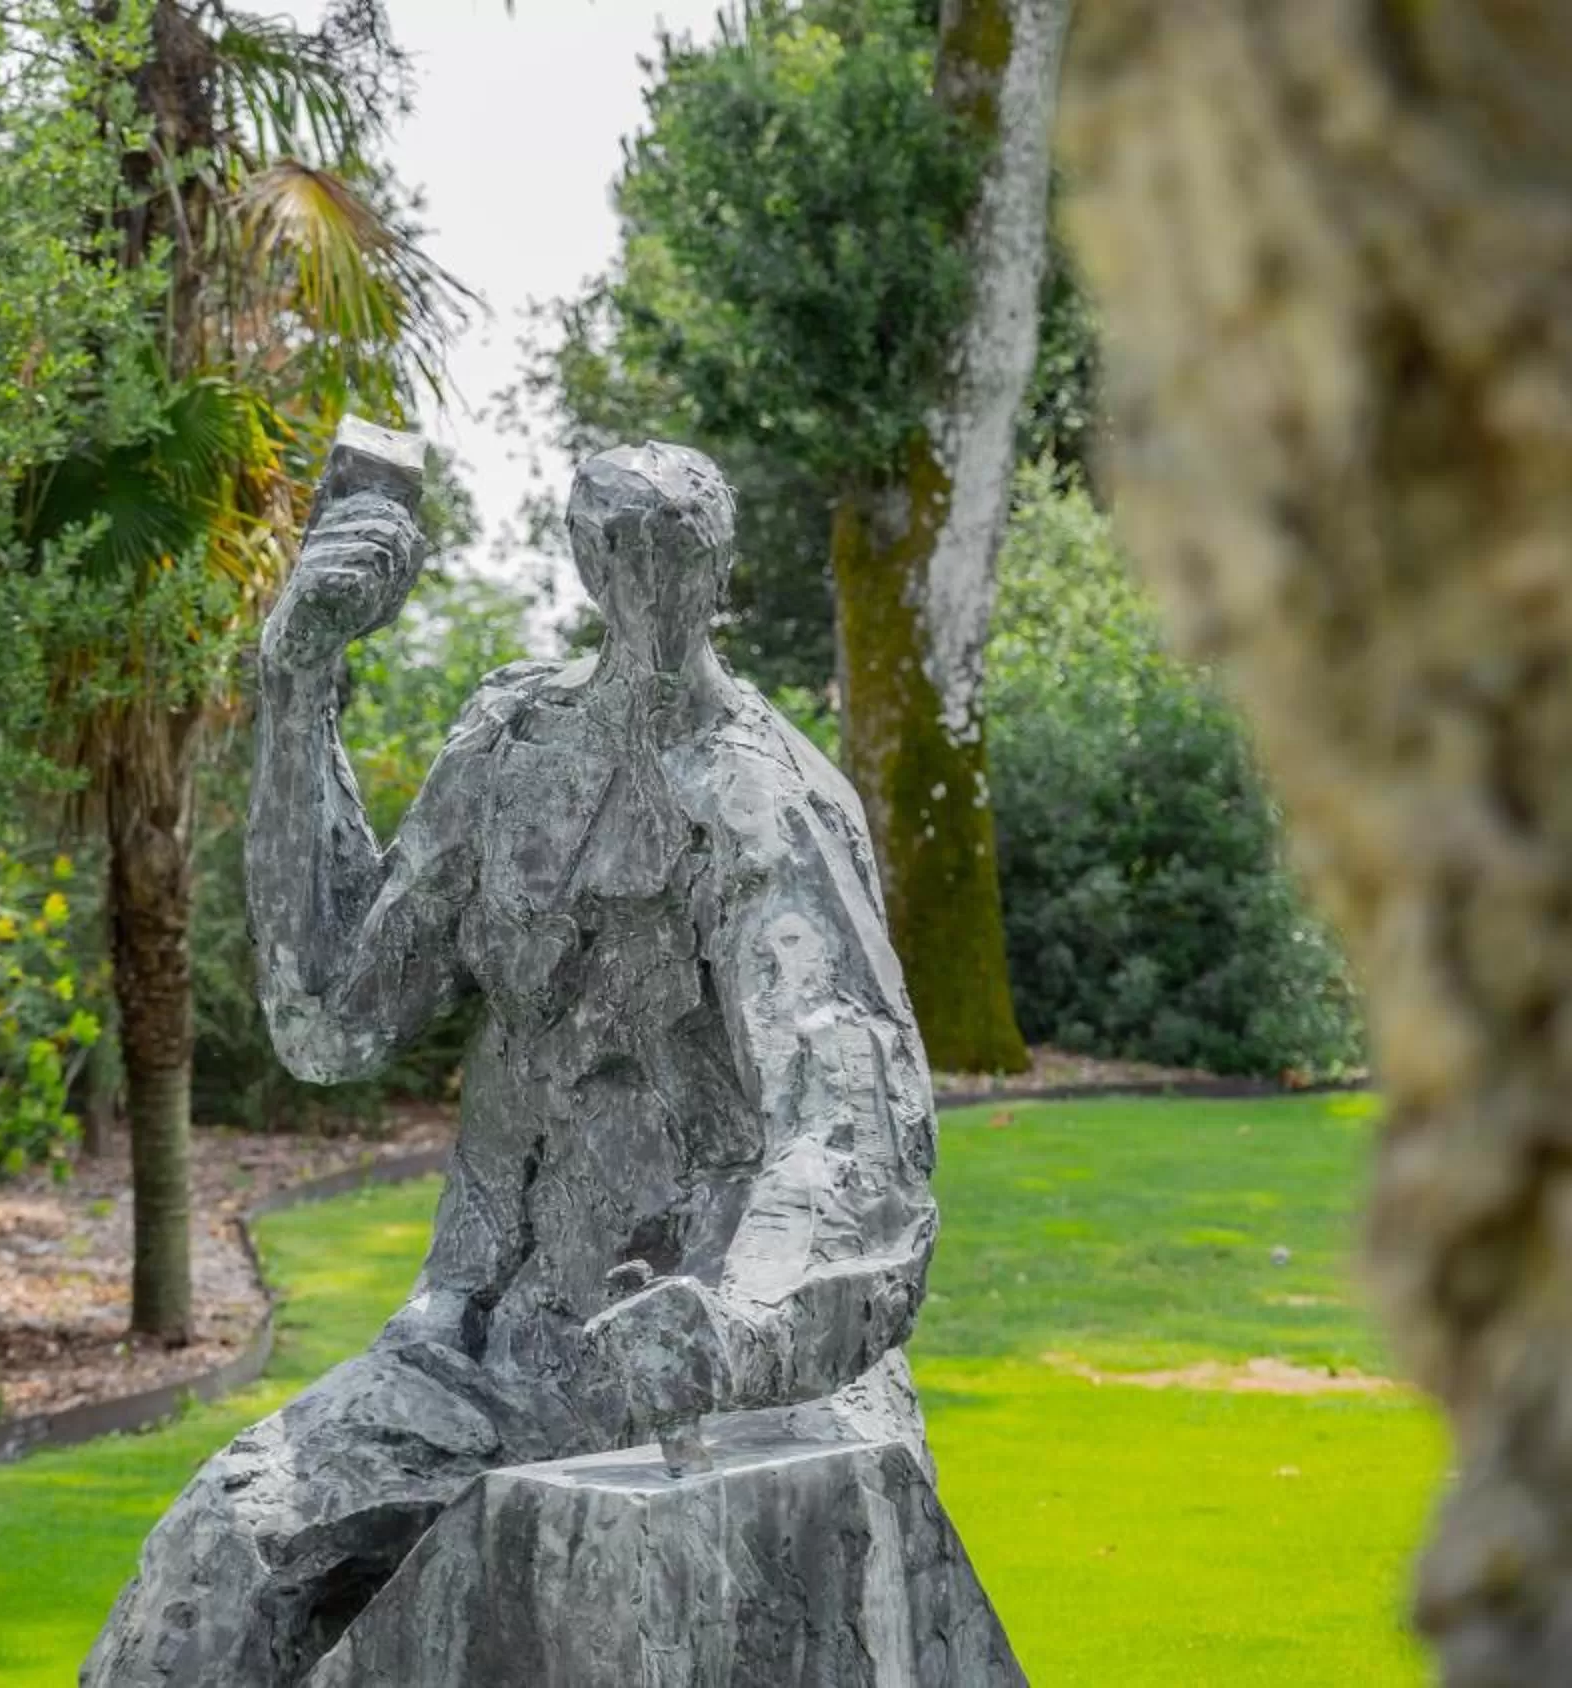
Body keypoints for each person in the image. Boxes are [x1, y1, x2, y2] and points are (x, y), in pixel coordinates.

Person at [82, 434, 942, 1688]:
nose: (647, 583)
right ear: (585, 558)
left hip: (724, 1383)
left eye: (674, 555)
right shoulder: (508, 749)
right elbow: (330, 1019)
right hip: (491, 1355)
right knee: (212, 1565)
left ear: (717, 571)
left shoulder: (771, 804)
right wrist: (302, 673)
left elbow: (851, 1122)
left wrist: (740, 1329)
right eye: (621, 549)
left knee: (619, 1588)